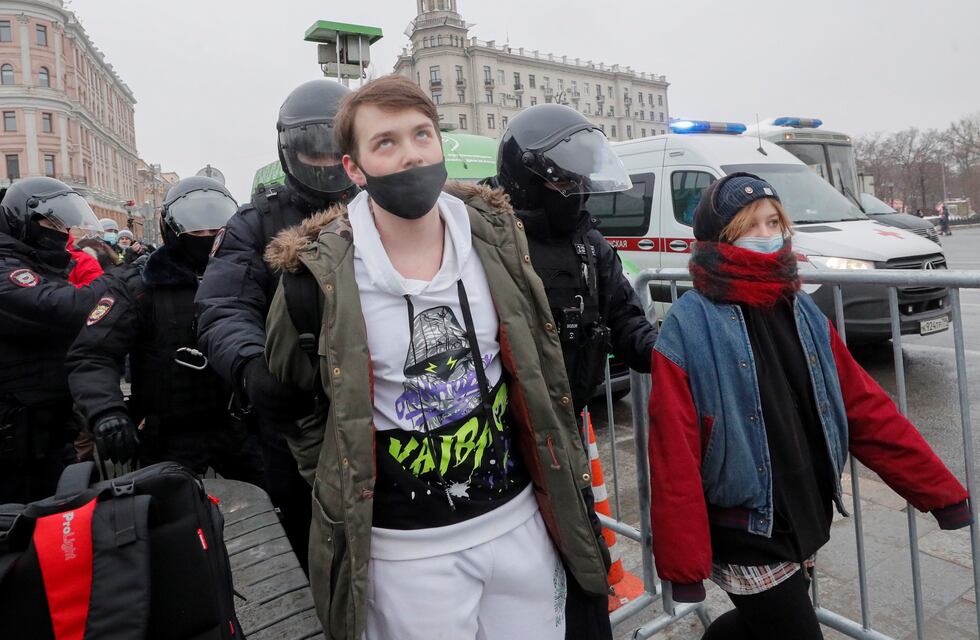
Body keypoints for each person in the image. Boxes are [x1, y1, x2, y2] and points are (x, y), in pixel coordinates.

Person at [262, 75, 609, 640]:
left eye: (421, 134)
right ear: (353, 169)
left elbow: (533, 364)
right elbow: (295, 405)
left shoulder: (496, 241)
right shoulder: (316, 280)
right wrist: (341, 482)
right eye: (386, 143)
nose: (410, 155)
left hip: (518, 523)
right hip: (406, 553)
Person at [646, 173, 972, 639]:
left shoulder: (799, 308)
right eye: (748, 225)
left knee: (766, 625)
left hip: (805, 512)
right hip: (746, 526)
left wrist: (940, 491)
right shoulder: (689, 324)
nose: (766, 234)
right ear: (720, 238)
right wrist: (683, 563)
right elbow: (672, 449)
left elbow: (864, 406)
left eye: (773, 221)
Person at [496, 103, 658, 640]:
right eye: (569, 177)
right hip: (509, 445)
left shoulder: (591, 244)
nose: (581, 187)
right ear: (532, 179)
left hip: (569, 433)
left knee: (584, 572)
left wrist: (678, 351)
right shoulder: (498, 248)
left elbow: (628, 325)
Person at [195, 78, 360, 571]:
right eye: (315, 150)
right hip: (298, 413)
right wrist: (250, 367)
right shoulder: (256, 222)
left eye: (338, 148)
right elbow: (221, 305)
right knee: (316, 541)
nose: (328, 162)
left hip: (381, 402)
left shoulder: (382, 207)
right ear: (290, 150)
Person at [66, 177, 266, 484]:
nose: (206, 238)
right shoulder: (141, 286)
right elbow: (93, 354)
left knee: (274, 509)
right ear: (171, 230)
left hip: (241, 428)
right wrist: (107, 412)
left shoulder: (250, 277)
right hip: (169, 436)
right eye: (196, 231)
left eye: (215, 231)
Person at [0, 177, 111, 503]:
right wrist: (120, 284)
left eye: (66, 224)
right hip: (13, 443)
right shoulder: (7, 266)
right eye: (53, 222)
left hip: (47, 430)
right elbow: (62, 306)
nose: (63, 232)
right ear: (25, 220)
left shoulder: (38, 262)